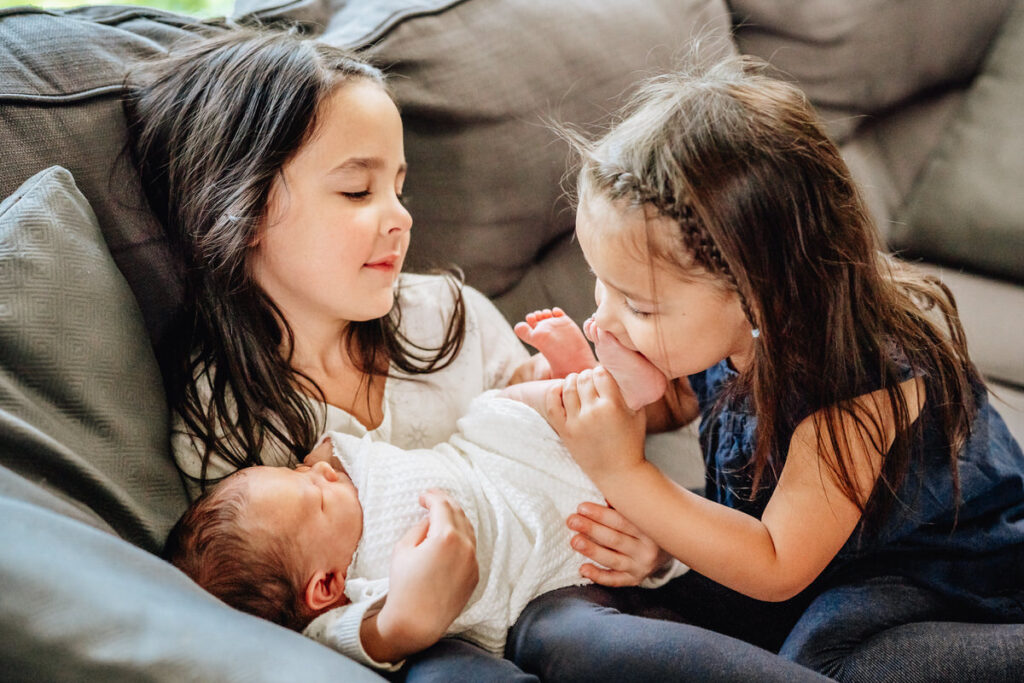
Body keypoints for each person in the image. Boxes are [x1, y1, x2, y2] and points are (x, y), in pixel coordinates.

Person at [507, 55, 1024, 681]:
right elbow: (681, 402)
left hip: (941, 576)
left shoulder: (866, 387)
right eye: (600, 286)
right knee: (566, 617)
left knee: (829, 657)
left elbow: (776, 564)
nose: (605, 320)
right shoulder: (724, 331)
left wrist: (624, 471)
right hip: (805, 548)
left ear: (757, 296)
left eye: (637, 305)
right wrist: (596, 390)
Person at [123, 27, 538, 680]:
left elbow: (561, 431)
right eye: (357, 191)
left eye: (399, 187)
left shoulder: (446, 317)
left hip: (565, 576)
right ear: (246, 209)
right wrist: (395, 624)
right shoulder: (228, 419)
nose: (400, 216)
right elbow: (266, 621)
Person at [161, 315, 687, 665]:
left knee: (499, 411)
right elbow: (356, 638)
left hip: (491, 458)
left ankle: (592, 382)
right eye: (314, 495)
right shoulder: (350, 605)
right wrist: (396, 624)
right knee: (587, 540)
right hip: (533, 553)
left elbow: (334, 451)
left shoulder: (338, 472)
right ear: (323, 586)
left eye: (297, 468)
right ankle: (602, 395)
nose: (317, 473)